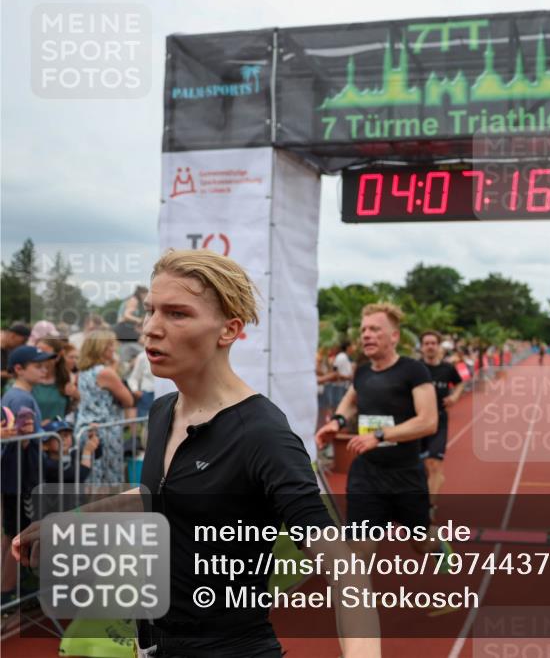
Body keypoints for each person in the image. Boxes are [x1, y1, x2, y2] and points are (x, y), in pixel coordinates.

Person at [15, 249, 380, 657]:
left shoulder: (263, 435)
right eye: (152, 310)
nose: (151, 328)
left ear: (229, 330)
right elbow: (159, 494)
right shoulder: (162, 411)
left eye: (177, 314)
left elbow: (345, 572)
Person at [315, 303, 448, 564]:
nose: (366, 335)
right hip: (367, 475)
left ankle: (437, 542)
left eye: (375, 329)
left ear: (394, 336)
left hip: (406, 474)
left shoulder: (413, 370)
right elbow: (352, 400)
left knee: (421, 544)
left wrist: (379, 436)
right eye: (364, 330)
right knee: (359, 553)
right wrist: (337, 422)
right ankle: (357, 602)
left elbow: (428, 421)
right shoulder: (362, 372)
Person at [1, 345, 54, 606]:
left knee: (14, 533)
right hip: (20, 480)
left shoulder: (18, 395)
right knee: (18, 536)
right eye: (37, 365)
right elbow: (18, 443)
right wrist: (27, 437)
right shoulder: (19, 398)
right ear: (19, 369)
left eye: (45, 364)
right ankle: (8, 593)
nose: (44, 369)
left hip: (19, 479)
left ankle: (10, 589)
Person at [75, 329, 135, 484]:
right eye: (110, 345)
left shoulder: (83, 371)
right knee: (108, 479)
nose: (113, 348)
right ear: (100, 348)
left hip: (85, 428)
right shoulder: (105, 372)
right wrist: (115, 370)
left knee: (92, 477)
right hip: (105, 430)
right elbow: (128, 400)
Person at [418, 331, 464, 511]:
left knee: (433, 463)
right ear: (422, 347)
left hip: (439, 420)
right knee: (421, 468)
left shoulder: (447, 368)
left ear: (438, 347)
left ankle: (429, 508)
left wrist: (455, 397)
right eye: (426, 343)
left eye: (433, 343)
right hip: (417, 421)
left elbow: (460, 383)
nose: (430, 346)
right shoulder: (416, 368)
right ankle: (432, 486)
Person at [33, 337, 80, 427]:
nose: (39, 357)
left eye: (44, 353)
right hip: (35, 437)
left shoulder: (67, 379)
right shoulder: (30, 380)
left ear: (57, 357)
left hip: (58, 435)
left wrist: (76, 397)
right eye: (36, 352)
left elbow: (70, 410)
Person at [40, 419, 98, 484]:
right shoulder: (49, 465)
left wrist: (92, 436)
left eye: (66, 435)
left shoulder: (73, 453)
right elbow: (80, 475)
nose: (63, 439)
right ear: (45, 445)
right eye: (57, 437)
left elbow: (97, 453)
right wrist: (87, 452)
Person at [0, 323, 31, 389]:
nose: (23, 345)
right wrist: (9, 374)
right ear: (12, 336)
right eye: (23, 341)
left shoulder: (10, 349)